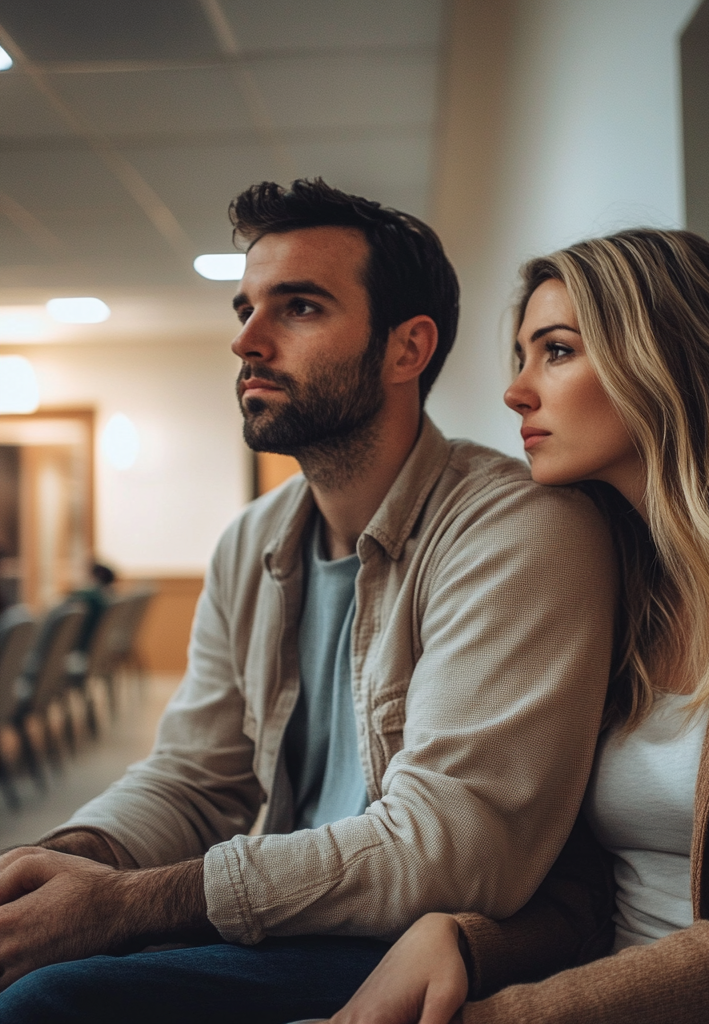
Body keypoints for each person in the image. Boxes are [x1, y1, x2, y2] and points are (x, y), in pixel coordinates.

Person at [0, 181, 618, 1023]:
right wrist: (65, 862)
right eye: (247, 307)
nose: (247, 340)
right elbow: (194, 777)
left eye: (298, 308)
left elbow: (448, 849)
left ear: (408, 348)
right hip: (298, 917)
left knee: (48, 1002)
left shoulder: (516, 529)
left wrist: (124, 905)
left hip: (423, 941)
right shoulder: (249, 542)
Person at [331, 228, 709, 1024]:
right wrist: (459, 939)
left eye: (555, 351)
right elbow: (595, 892)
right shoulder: (631, 595)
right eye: (521, 358)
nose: (518, 392)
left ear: (670, 362)